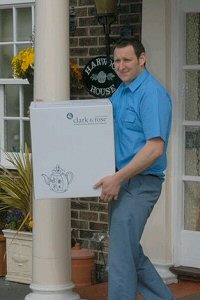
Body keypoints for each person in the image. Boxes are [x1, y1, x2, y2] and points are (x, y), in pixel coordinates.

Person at [94, 37, 175, 300]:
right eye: (116, 60)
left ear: (142, 59)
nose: (120, 65)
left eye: (126, 59)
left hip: (140, 183)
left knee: (120, 259)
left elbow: (155, 148)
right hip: (124, 182)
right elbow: (97, 121)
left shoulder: (152, 94)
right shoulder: (121, 92)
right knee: (129, 252)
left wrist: (118, 177)